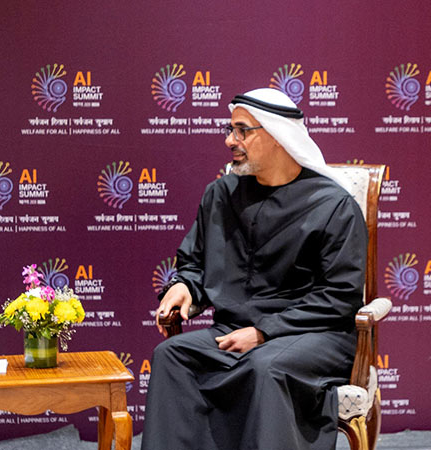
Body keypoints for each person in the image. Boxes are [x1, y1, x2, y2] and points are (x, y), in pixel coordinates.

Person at [142, 88, 366, 450]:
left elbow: (339, 297)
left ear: (278, 136)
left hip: (315, 335)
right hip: (234, 330)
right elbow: (195, 261)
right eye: (231, 130)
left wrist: (264, 331)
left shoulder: (332, 205)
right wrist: (186, 285)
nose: (231, 140)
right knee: (171, 356)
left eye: (242, 130)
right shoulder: (221, 194)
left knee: (265, 367)